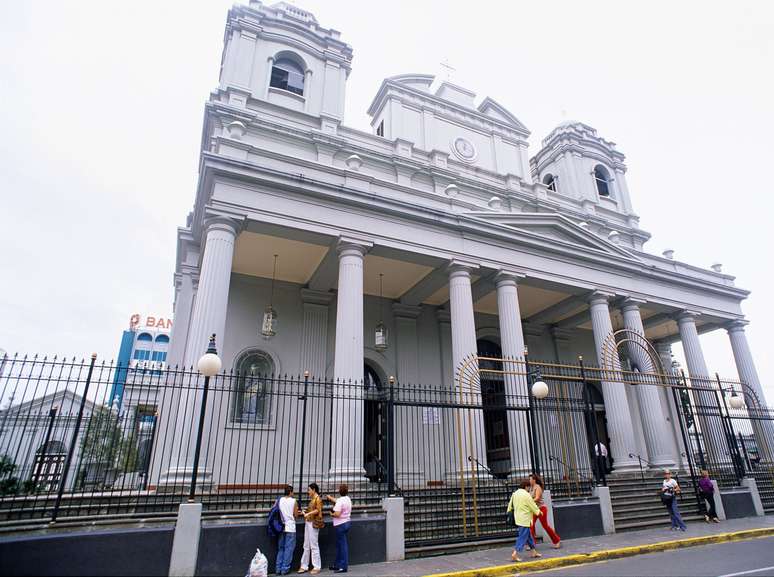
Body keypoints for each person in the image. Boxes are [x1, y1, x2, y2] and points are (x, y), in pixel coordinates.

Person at [507, 479, 542, 562]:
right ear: (526, 486)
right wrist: (538, 512)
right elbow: (532, 505)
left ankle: (533, 552)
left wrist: (509, 513)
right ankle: (515, 553)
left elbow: (510, 506)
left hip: (518, 518)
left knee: (528, 535)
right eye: (528, 487)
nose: (529, 489)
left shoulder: (515, 493)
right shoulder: (526, 495)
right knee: (522, 537)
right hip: (525, 519)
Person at [529, 473, 561, 549]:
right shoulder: (531, 488)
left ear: (534, 480)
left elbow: (537, 498)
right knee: (531, 526)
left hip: (541, 509)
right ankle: (532, 544)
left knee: (545, 526)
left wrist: (528, 502)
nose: (529, 480)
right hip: (534, 509)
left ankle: (557, 541)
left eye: (530, 479)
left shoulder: (538, 487)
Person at [326, 484, 352, 573]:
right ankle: (337, 565)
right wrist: (330, 498)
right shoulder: (347, 499)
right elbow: (337, 501)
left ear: (339, 491)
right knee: (339, 545)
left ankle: (343, 567)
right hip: (347, 523)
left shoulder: (340, 501)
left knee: (342, 546)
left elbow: (337, 514)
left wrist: (331, 514)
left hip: (340, 525)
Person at [298, 482, 323, 574]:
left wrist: (308, 513)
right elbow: (313, 510)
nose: (308, 492)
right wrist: (305, 511)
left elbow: (318, 510)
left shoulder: (318, 499)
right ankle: (304, 565)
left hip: (313, 524)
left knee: (314, 545)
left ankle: (317, 566)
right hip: (308, 522)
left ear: (314, 490)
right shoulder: (313, 499)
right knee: (306, 545)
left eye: (309, 490)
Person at [276, 485, 300, 575]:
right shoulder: (294, 501)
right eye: (292, 492)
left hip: (281, 526)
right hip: (290, 527)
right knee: (289, 549)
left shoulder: (280, 500)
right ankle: (285, 569)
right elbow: (296, 515)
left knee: (281, 548)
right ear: (290, 492)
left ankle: (278, 568)